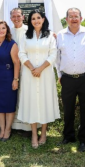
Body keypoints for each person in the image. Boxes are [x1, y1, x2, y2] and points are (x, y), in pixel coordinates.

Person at [17, 9, 60, 149]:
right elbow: (22, 54)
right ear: (30, 21)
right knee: (32, 102)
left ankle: (44, 133)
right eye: (33, 18)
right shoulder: (26, 36)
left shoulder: (50, 36)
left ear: (43, 19)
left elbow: (53, 55)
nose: (36, 20)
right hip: (29, 75)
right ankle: (34, 134)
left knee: (44, 101)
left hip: (45, 74)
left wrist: (40, 69)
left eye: (38, 18)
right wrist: (32, 68)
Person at [56, 8, 85, 152]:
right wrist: (60, 75)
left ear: (81, 18)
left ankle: (83, 139)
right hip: (67, 79)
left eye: (76, 16)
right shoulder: (60, 35)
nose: (73, 19)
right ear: (66, 19)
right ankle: (68, 136)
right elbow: (57, 57)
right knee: (68, 109)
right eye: (70, 16)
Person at [0, 20, 20, 141]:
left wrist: (15, 79)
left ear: (7, 30)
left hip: (8, 76)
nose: (1, 30)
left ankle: (8, 130)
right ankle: (1, 129)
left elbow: (17, 63)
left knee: (9, 104)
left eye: (3, 28)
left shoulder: (12, 44)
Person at [9, 8, 34, 134]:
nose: (16, 18)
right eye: (14, 16)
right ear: (10, 18)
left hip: (26, 67)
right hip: (12, 68)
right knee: (15, 95)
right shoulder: (9, 31)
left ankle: (29, 126)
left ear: (23, 17)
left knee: (26, 94)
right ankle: (16, 125)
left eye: (18, 16)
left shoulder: (29, 30)